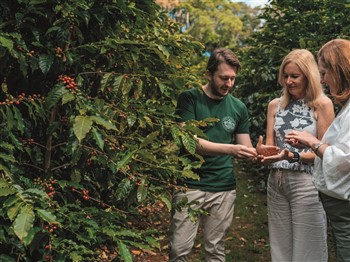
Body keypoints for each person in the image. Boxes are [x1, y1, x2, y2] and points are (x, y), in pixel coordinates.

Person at [169, 48, 278, 262]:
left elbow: (243, 146)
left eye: (233, 79)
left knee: (215, 249)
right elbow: (190, 141)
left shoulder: (238, 107)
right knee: (179, 249)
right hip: (190, 184)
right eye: (223, 78)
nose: (228, 84)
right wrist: (231, 149)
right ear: (209, 74)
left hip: (223, 187)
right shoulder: (189, 99)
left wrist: (257, 152)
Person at [258, 49, 335, 261]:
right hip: (276, 181)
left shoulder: (322, 105)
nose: (289, 81)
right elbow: (272, 148)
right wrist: (263, 152)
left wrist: (292, 155)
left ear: (308, 76)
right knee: (280, 248)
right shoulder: (275, 105)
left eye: (295, 76)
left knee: (308, 248)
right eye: (285, 75)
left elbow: (326, 153)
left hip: (306, 182)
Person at [285, 39, 350, 262]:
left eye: (325, 72)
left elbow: (345, 159)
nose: (323, 79)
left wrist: (313, 143)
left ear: (339, 71)